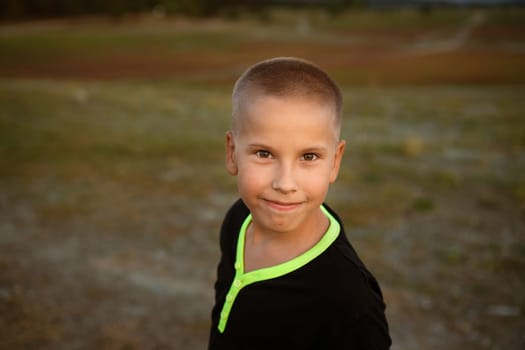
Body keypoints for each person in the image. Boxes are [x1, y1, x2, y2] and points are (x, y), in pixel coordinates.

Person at [208, 57, 391, 349]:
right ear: (232, 153)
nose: (285, 183)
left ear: (335, 161)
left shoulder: (348, 301)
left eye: (308, 157)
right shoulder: (239, 218)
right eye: (264, 154)